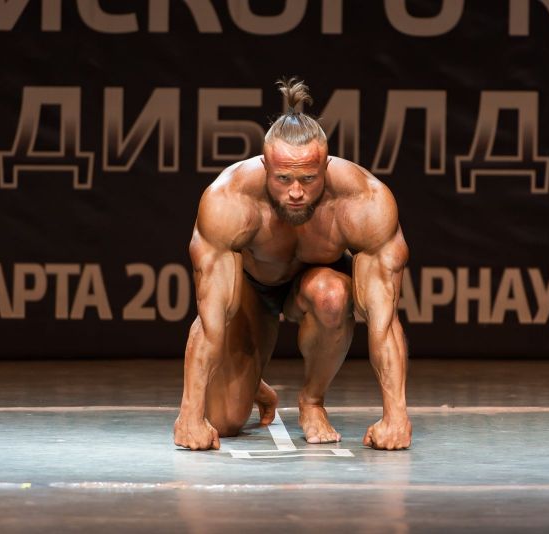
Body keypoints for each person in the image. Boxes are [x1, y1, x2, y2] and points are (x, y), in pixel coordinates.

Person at [173, 77, 411, 451]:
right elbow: (210, 320)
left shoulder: (365, 202)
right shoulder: (228, 201)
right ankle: (249, 382)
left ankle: (312, 401)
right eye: (283, 179)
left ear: (326, 166)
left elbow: (384, 323)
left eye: (308, 179)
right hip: (253, 287)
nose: (296, 192)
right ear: (265, 165)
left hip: (318, 281)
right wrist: (189, 415)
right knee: (225, 420)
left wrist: (396, 416)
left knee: (331, 296)